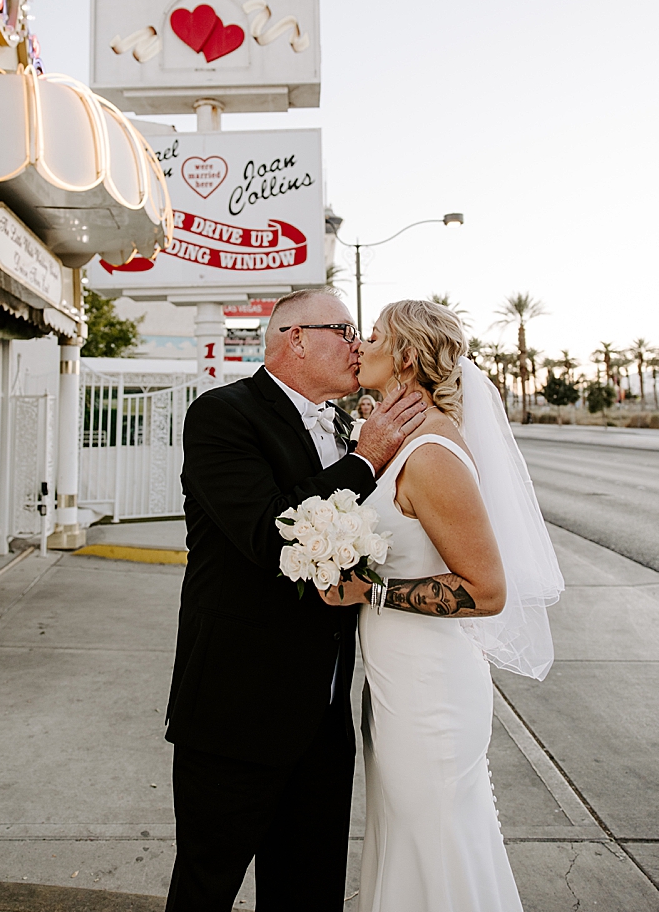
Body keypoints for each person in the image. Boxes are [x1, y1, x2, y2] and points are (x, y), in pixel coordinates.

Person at [165, 289, 428, 911]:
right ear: (296, 338)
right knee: (206, 887)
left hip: (325, 714)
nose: (358, 344)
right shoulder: (221, 414)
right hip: (236, 711)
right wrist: (365, 461)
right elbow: (270, 533)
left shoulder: (342, 422)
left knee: (309, 893)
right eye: (344, 329)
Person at [320, 300, 563, 910]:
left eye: (371, 336)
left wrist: (369, 590)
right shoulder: (398, 437)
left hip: (431, 688)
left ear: (404, 355)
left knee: (435, 836)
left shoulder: (431, 453)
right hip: (396, 675)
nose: (359, 344)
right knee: (406, 833)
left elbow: (486, 590)